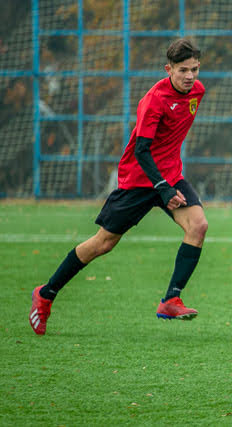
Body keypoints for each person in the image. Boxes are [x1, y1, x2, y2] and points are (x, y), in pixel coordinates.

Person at [29, 38, 208, 335]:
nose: (190, 76)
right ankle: (46, 294)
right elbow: (141, 150)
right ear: (169, 69)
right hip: (138, 180)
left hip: (171, 176)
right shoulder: (153, 100)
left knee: (198, 226)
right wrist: (161, 187)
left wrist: (167, 182)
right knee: (103, 243)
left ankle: (171, 299)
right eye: (183, 70)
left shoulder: (197, 92)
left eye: (195, 69)